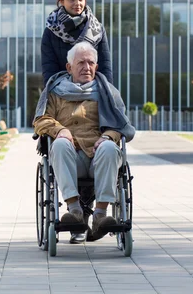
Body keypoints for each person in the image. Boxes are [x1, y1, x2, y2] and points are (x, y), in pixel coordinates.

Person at [33, 42, 135, 242]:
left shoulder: (109, 92)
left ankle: (100, 215)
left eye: (90, 63)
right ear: (69, 67)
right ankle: (75, 211)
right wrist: (60, 130)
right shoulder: (55, 91)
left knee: (109, 147)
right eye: (81, 63)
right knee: (59, 144)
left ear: (96, 67)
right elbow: (41, 120)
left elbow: (121, 124)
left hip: (100, 156)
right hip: (72, 156)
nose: (86, 67)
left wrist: (108, 136)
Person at [42, 0, 113, 86]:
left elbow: (105, 66)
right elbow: (49, 67)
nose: (77, 3)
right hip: (61, 93)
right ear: (62, 1)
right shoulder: (52, 29)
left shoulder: (97, 29)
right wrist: (57, 92)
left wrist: (106, 92)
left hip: (93, 92)